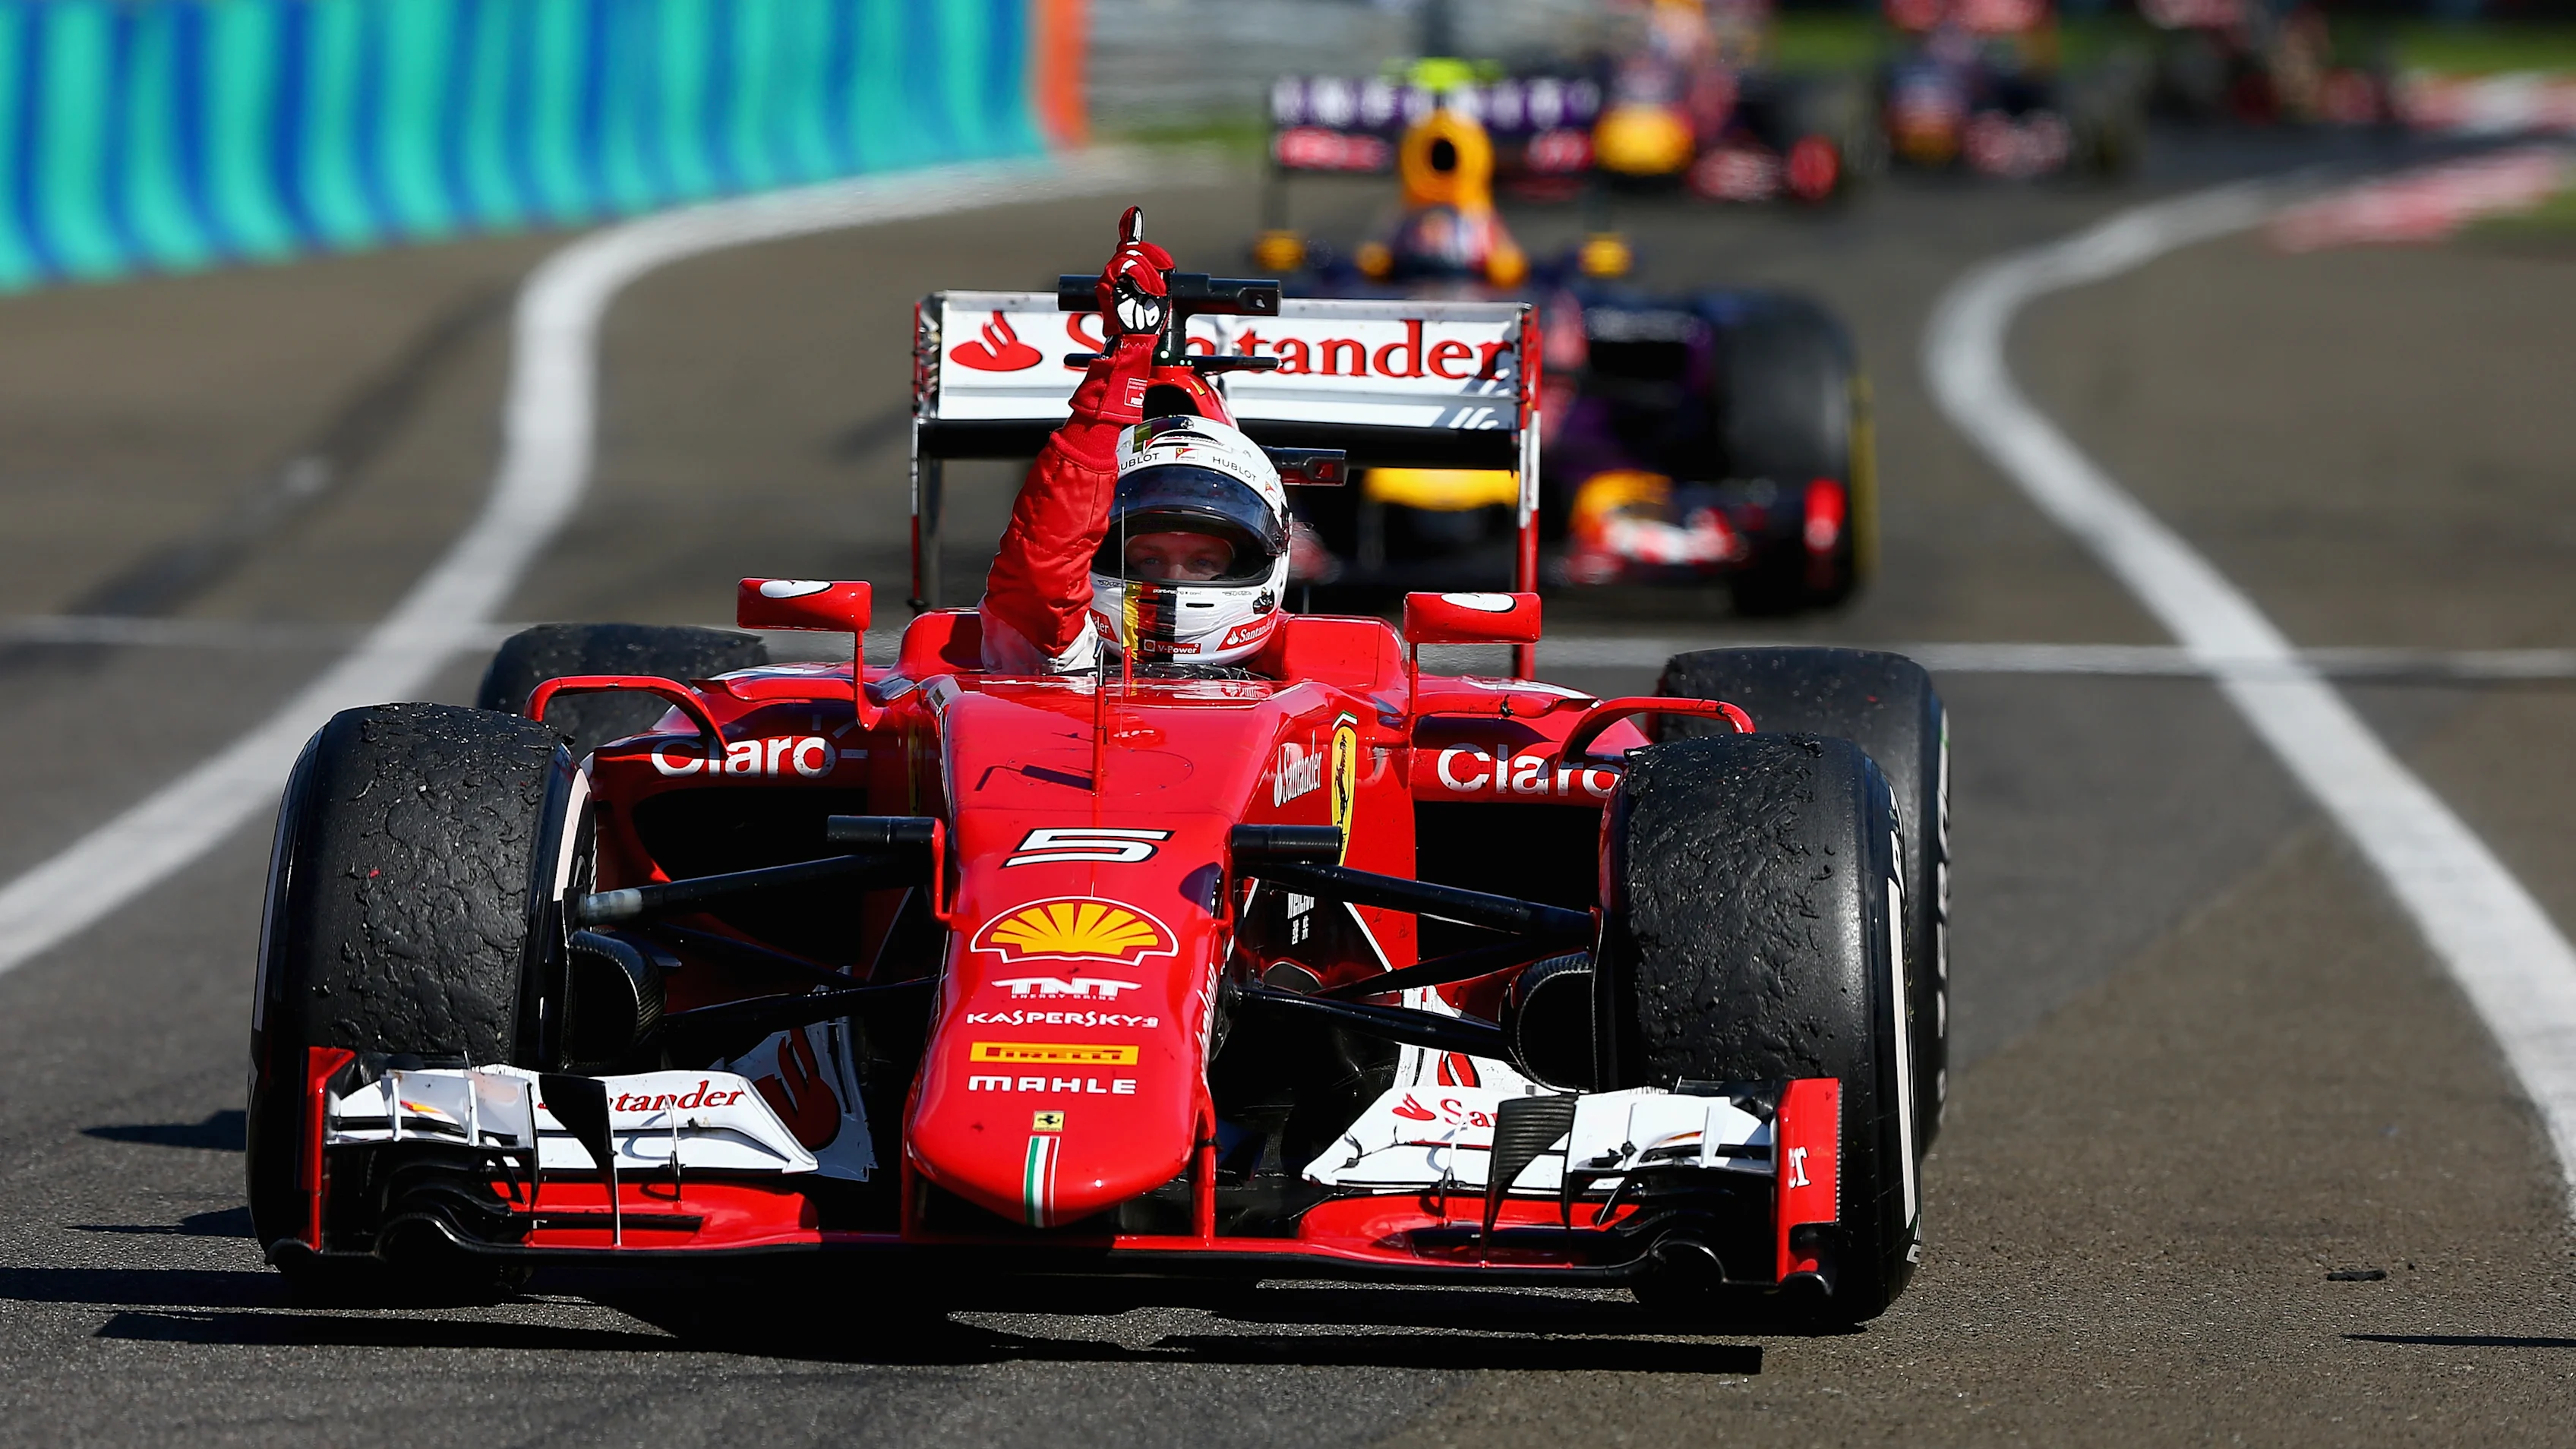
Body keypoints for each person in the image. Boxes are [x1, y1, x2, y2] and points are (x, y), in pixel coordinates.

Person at [978, 210, 1291, 676]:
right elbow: (1045, 566)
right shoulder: (1058, 658)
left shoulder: (1328, 679)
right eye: (1147, 560)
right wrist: (1124, 364)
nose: (1173, 581)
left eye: (1203, 561)